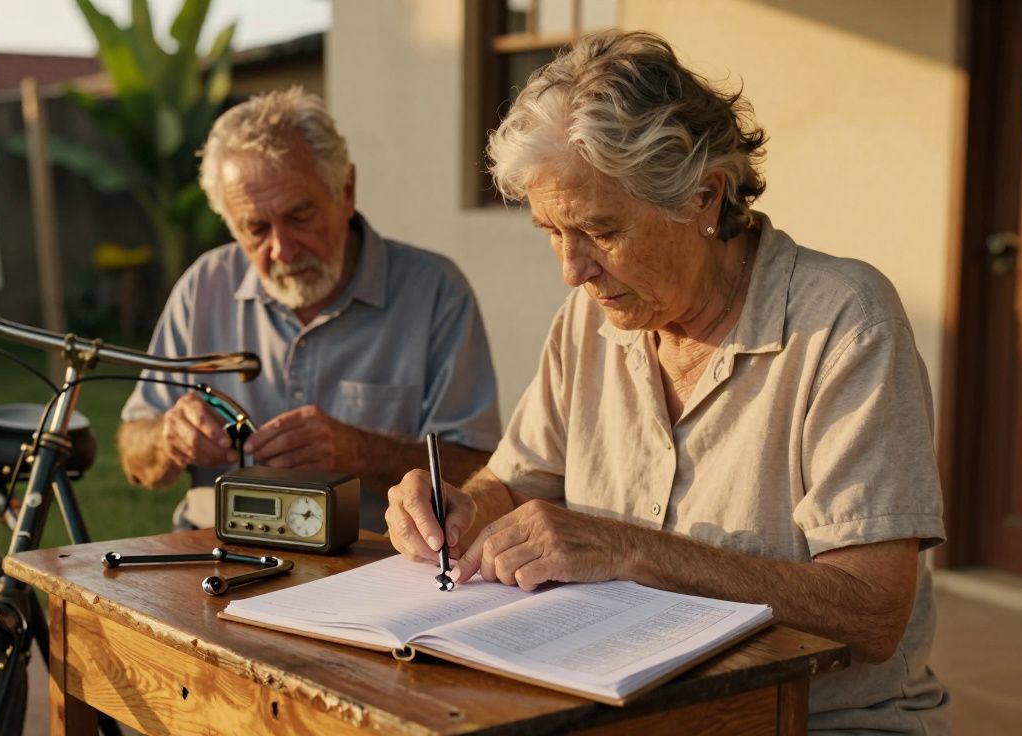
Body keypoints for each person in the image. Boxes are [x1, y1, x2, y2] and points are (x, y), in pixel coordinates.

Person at [386, 30, 947, 733]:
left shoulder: (845, 324)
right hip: (618, 709)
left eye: (599, 230)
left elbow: (870, 612)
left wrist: (627, 550)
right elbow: (516, 485)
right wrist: (461, 507)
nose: (572, 268)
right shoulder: (587, 324)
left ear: (704, 197)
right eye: (549, 232)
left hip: (812, 720)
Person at [117, 87, 501, 533]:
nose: (282, 249)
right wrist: (170, 438)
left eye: (300, 216)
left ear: (347, 190)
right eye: (256, 228)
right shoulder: (203, 286)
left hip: (369, 568)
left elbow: (480, 474)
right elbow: (133, 453)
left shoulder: (434, 291)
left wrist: (358, 451)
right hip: (212, 555)